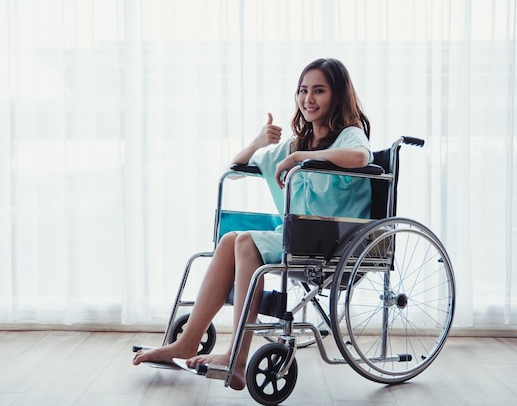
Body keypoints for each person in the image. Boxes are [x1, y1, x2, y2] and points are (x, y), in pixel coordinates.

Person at [132, 58, 373, 390]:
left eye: (319, 91)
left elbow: (361, 158)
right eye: (303, 91)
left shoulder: (348, 134)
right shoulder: (295, 143)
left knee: (244, 242)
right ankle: (188, 342)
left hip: (334, 239)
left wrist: (299, 159)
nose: (308, 99)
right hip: (299, 235)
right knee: (231, 238)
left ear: (338, 95)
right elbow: (238, 162)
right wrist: (261, 141)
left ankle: (237, 358)